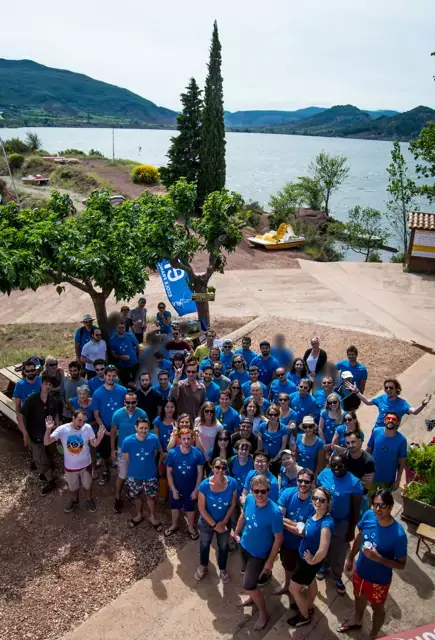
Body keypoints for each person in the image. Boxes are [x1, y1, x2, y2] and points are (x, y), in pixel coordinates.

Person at [339, 489, 407, 638]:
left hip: (379, 581)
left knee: (377, 608)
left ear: (390, 507)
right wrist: (350, 557)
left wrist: (378, 558)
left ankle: (373, 634)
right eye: (375, 505)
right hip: (360, 572)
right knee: (358, 596)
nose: (377, 509)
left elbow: (402, 564)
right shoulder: (369, 516)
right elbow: (360, 537)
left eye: (382, 506)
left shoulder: (398, 534)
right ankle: (357, 620)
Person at [234, 475, 284, 631]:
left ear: (269, 491)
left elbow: (278, 539)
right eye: (256, 491)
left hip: (259, 554)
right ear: (252, 491)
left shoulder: (275, 512)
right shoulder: (249, 499)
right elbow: (243, 516)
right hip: (244, 546)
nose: (260, 495)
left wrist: (269, 563)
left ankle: (263, 613)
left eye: (264, 491)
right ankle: (252, 598)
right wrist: (236, 532)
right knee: (249, 579)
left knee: (248, 585)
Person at [316, 453, 364, 593]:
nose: (336, 468)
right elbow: (317, 492)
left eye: (340, 466)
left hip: (342, 523)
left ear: (347, 467)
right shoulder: (325, 474)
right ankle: (323, 566)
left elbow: (355, 510)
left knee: (339, 551)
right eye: (333, 465)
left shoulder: (354, 483)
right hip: (324, 520)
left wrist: (351, 530)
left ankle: (336, 576)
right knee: (324, 546)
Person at [288, 487, 334, 628]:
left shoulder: (326, 523)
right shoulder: (314, 515)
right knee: (311, 581)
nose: (317, 502)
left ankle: (304, 616)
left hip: (307, 563)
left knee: (294, 589)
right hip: (306, 560)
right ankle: (308, 606)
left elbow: (323, 549)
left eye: (322, 500)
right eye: (315, 498)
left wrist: (312, 561)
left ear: (328, 503)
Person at [44, 410, 105, 513]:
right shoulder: (62, 429)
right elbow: (46, 442)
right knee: (73, 487)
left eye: (84, 421)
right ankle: (74, 500)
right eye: (79, 420)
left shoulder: (87, 428)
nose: (81, 424)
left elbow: (94, 444)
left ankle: (89, 500)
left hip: (86, 465)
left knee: (87, 485)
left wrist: (99, 438)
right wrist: (48, 430)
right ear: (73, 418)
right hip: (70, 467)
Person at [196, 458, 238, 583]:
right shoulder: (204, 485)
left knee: (223, 546)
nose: (220, 470)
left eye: (223, 468)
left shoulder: (232, 483)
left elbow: (233, 504)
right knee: (204, 545)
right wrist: (215, 525)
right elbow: (201, 509)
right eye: (217, 467)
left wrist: (224, 522)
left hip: (224, 522)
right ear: (213, 468)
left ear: (226, 470)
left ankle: (223, 569)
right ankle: (203, 565)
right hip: (206, 523)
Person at [275, 468, 314, 596]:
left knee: (304, 572)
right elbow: (278, 517)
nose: (303, 484)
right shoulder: (287, 493)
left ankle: (298, 590)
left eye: (306, 482)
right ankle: (287, 586)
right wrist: (297, 525)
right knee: (287, 567)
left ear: (312, 483)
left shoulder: (316, 502)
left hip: (305, 547)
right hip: (287, 543)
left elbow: (304, 532)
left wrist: (285, 522)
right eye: (300, 480)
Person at [20, 373, 60, 494]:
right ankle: (50, 481)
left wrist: (57, 426)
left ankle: (48, 475)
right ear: (41, 384)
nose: (48, 386)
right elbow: (21, 416)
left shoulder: (53, 400)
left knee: (49, 455)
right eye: (46, 383)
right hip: (35, 436)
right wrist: (25, 433)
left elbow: (56, 413)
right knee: (40, 460)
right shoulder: (32, 399)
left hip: (49, 435)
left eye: (50, 384)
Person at [122, 417, 162, 529]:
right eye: (141, 428)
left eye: (146, 428)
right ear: (136, 428)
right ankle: (139, 515)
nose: (143, 431)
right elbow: (127, 459)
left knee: (151, 497)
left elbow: (154, 454)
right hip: (134, 476)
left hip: (150, 474)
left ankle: (152, 517)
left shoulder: (154, 439)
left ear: (149, 428)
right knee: (137, 496)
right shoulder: (127, 441)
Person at [164, 427, 205, 538]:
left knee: (190, 508)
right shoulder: (173, 453)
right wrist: (173, 489)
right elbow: (169, 473)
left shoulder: (197, 454)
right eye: (184, 439)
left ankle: (191, 527)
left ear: (192, 439)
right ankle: (174, 525)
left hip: (191, 488)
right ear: (179, 439)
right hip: (176, 486)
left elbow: (200, 474)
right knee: (175, 507)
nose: (186, 441)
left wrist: (196, 490)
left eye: (188, 438)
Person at [111, 392, 148, 513]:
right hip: (123, 448)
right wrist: (113, 449)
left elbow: (146, 431)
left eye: (133, 402)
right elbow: (113, 433)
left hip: (138, 449)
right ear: (124, 402)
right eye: (128, 402)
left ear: (137, 402)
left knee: (135, 474)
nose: (130, 405)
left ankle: (132, 493)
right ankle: (117, 496)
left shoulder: (142, 413)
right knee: (122, 474)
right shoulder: (117, 414)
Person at [347, 378, 431, 430]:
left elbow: (415, 411)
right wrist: (356, 392)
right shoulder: (382, 398)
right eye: (386, 387)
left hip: (390, 434)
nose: (388, 389)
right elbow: (367, 402)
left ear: (396, 389)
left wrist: (423, 405)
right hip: (376, 431)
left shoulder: (402, 404)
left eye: (391, 387)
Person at [92, 365, 127, 486]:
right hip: (105, 428)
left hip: (121, 428)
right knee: (104, 453)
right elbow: (96, 415)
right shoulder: (98, 393)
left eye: (113, 376)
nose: (111, 378)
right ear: (105, 376)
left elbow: (126, 409)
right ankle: (106, 470)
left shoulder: (123, 390)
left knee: (123, 450)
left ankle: (124, 474)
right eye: (109, 376)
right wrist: (104, 430)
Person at [366, 412, 407, 492]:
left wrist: (398, 481)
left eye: (394, 419)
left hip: (388, 479)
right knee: (368, 499)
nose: (390, 420)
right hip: (371, 475)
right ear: (384, 420)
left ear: (397, 422)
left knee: (383, 503)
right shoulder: (376, 432)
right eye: (388, 418)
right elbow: (368, 451)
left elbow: (401, 462)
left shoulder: (401, 440)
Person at [69, 385, 98, 478]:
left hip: (91, 427)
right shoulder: (74, 401)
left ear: (87, 394)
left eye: (84, 394)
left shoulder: (93, 402)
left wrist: (87, 424)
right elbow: (68, 402)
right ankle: (79, 468)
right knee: (78, 448)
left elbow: (96, 417)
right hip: (78, 428)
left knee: (92, 449)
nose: (82, 396)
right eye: (80, 394)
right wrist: (73, 412)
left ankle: (93, 468)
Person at [345, 431, 376, 511]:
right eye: (347, 443)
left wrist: (347, 479)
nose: (350, 445)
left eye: (353, 442)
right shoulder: (344, 457)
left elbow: (367, 486)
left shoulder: (368, 461)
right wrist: (360, 480)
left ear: (359, 441)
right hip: (347, 495)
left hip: (361, 497)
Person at [13, 359, 42, 442]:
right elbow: (18, 408)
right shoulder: (19, 385)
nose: (30, 373)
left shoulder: (40, 381)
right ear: (24, 372)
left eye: (32, 370)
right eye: (28, 371)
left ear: (36, 371)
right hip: (27, 415)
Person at [258, 405, 288, 475]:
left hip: (277, 458)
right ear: (267, 415)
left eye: (275, 414)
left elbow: (283, 446)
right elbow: (259, 440)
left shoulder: (283, 428)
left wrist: (274, 459)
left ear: (278, 415)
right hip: (263, 456)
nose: (273, 417)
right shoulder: (262, 426)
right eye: (271, 414)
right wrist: (262, 454)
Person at [109, 320, 140, 388]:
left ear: (125, 328)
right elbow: (113, 354)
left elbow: (137, 347)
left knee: (136, 380)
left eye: (123, 327)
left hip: (134, 363)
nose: (121, 329)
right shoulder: (112, 340)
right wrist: (120, 357)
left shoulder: (130, 335)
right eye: (119, 327)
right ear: (116, 328)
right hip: (123, 366)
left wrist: (138, 357)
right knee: (125, 383)